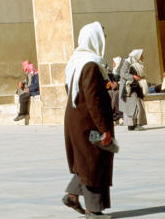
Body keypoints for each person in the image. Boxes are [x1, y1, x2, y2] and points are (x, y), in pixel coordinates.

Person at [63, 21, 115, 217]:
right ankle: (94, 211)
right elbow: (93, 99)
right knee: (94, 161)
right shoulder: (91, 64)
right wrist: (104, 129)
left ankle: (72, 195)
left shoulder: (76, 61)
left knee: (86, 160)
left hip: (76, 119)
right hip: (88, 121)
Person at [119, 49, 148, 130]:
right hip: (129, 87)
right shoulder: (128, 62)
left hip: (136, 86)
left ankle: (133, 124)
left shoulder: (137, 63)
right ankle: (134, 124)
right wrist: (133, 77)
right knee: (133, 106)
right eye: (141, 55)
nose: (142, 57)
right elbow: (123, 73)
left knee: (135, 104)